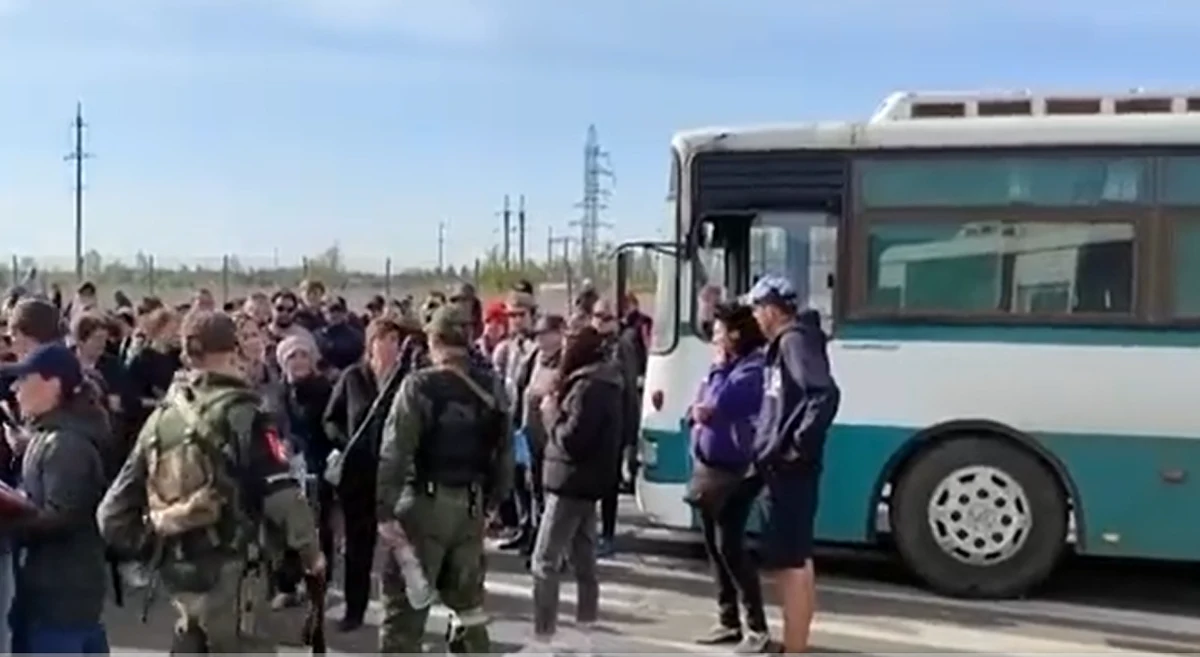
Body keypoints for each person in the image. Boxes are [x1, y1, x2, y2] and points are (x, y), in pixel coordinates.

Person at [96, 310, 325, 652]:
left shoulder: (161, 419)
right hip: (235, 580)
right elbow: (283, 498)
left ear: (186, 354)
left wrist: (158, 540)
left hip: (181, 577)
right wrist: (312, 557)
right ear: (235, 350)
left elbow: (111, 516)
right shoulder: (247, 415)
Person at [376, 306, 512, 654]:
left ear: (433, 340)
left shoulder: (418, 386)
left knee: (404, 615)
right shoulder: (491, 386)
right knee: (469, 608)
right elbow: (505, 452)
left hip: (424, 506)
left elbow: (395, 452)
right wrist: (491, 505)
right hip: (471, 507)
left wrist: (384, 512)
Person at [746, 275, 840, 654]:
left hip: (789, 472)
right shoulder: (788, 343)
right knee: (794, 561)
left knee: (792, 566)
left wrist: (793, 449)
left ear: (770, 309)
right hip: (784, 469)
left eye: (756, 308)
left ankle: (795, 650)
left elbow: (824, 394)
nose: (753, 316)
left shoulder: (794, 342)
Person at [3, 343, 111, 654]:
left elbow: (62, 516)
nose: (15, 389)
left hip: (60, 597)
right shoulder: (53, 435)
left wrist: (10, 518)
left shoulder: (66, 444)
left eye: (24, 380)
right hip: (60, 593)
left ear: (52, 385)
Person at [526, 325, 623, 653]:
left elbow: (573, 440)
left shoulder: (588, 387)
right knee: (584, 561)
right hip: (587, 482)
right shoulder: (605, 382)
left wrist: (552, 415)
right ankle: (585, 632)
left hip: (570, 482)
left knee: (544, 561)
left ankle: (543, 638)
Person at [688, 302, 770, 652]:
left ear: (736, 335)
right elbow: (699, 403)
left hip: (737, 472)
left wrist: (717, 374)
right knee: (714, 544)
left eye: (719, 331)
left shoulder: (752, 369)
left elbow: (720, 402)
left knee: (730, 546)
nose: (714, 337)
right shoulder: (724, 367)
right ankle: (728, 620)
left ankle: (757, 629)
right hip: (711, 470)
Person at [323, 316, 404, 631]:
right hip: (358, 475)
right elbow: (331, 418)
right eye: (383, 339)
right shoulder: (353, 377)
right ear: (370, 344)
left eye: (395, 341)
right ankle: (354, 610)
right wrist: (347, 444)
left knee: (401, 545)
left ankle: (402, 613)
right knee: (359, 545)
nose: (389, 347)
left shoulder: (406, 381)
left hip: (395, 475)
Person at [509, 314, 566, 555]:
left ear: (558, 334)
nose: (540, 340)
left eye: (545, 334)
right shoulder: (533, 358)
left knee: (547, 494)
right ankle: (531, 533)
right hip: (528, 433)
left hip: (551, 438)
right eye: (538, 335)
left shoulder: (565, 361)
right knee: (528, 487)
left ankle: (552, 547)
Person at [590, 299, 640, 558]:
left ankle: (608, 534)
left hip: (615, 422)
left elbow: (630, 388)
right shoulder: (591, 344)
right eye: (596, 316)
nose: (600, 321)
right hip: (593, 421)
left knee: (609, 484)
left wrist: (630, 432)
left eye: (606, 317)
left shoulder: (622, 347)